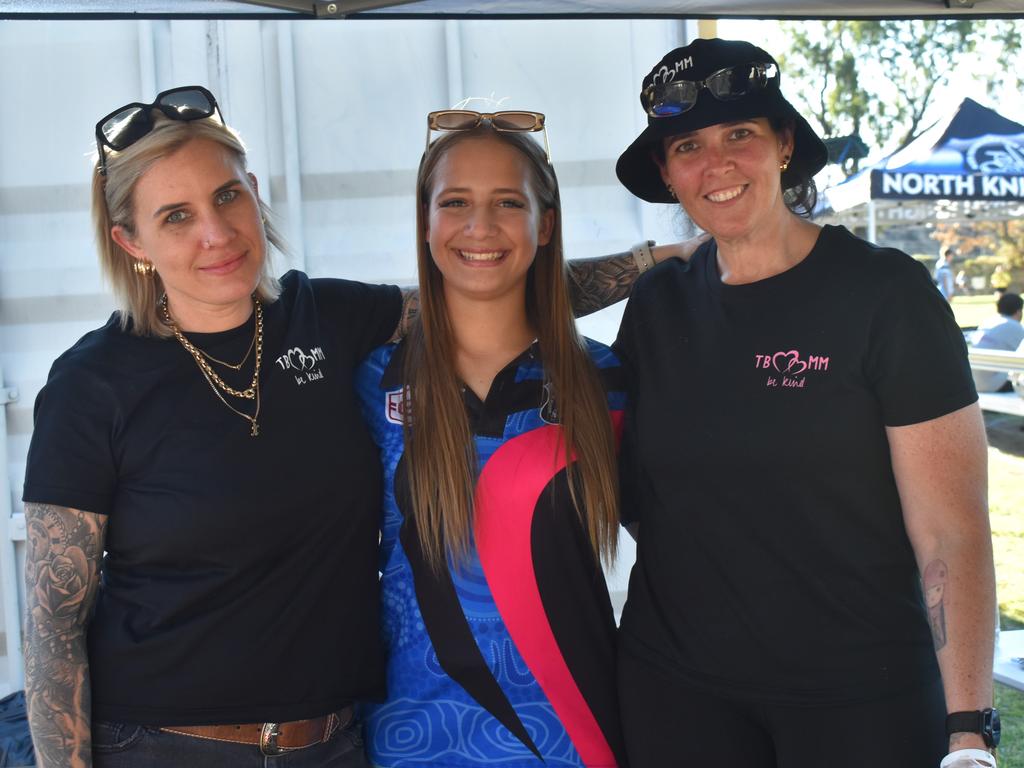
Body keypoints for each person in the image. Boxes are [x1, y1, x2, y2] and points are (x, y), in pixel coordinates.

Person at [21, 87, 686, 768]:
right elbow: (51, 625)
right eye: (176, 216)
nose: (214, 234)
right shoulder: (93, 383)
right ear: (131, 241)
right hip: (163, 745)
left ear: (253, 192)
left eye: (226, 197)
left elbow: (484, 280)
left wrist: (666, 261)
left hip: (331, 743)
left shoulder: (330, 322)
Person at [612, 39, 997, 768]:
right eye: (688, 145)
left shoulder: (885, 295)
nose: (717, 164)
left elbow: (951, 534)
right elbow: (643, 492)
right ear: (667, 173)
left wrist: (969, 730)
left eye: (741, 134)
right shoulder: (657, 306)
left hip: (861, 697)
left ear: (784, 145)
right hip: (679, 691)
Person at [356, 113, 626, 767]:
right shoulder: (366, 381)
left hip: (571, 736)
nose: (480, 227)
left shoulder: (605, 380)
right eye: (456, 203)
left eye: (509, 202)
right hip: (406, 737)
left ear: (547, 223)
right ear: (426, 221)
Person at [970, 292, 1024, 392]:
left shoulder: (987, 322)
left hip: (972, 382)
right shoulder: (1017, 328)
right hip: (993, 385)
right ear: (1019, 311)